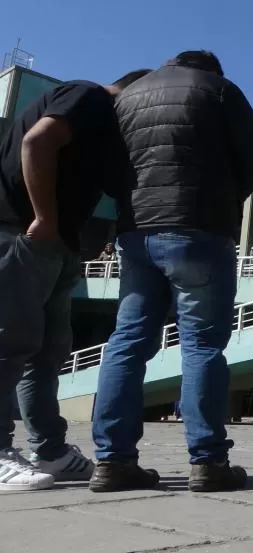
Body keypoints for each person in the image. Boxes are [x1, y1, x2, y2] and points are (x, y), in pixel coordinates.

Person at [90, 51, 253, 493]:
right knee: (203, 344)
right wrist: (226, 200)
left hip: (137, 231)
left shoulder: (128, 97)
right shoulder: (220, 89)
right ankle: (208, 461)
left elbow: (109, 166)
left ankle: (112, 461)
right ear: (212, 69)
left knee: (127, 341)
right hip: (200, 227)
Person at [0, 69, 151, 492]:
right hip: (22, 235)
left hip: (56, 247)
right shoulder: (89, 97)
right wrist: (45, 218)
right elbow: (37, 142)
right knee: (9, 344)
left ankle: (50, 452)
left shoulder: (102, 124)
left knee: (45, 355)